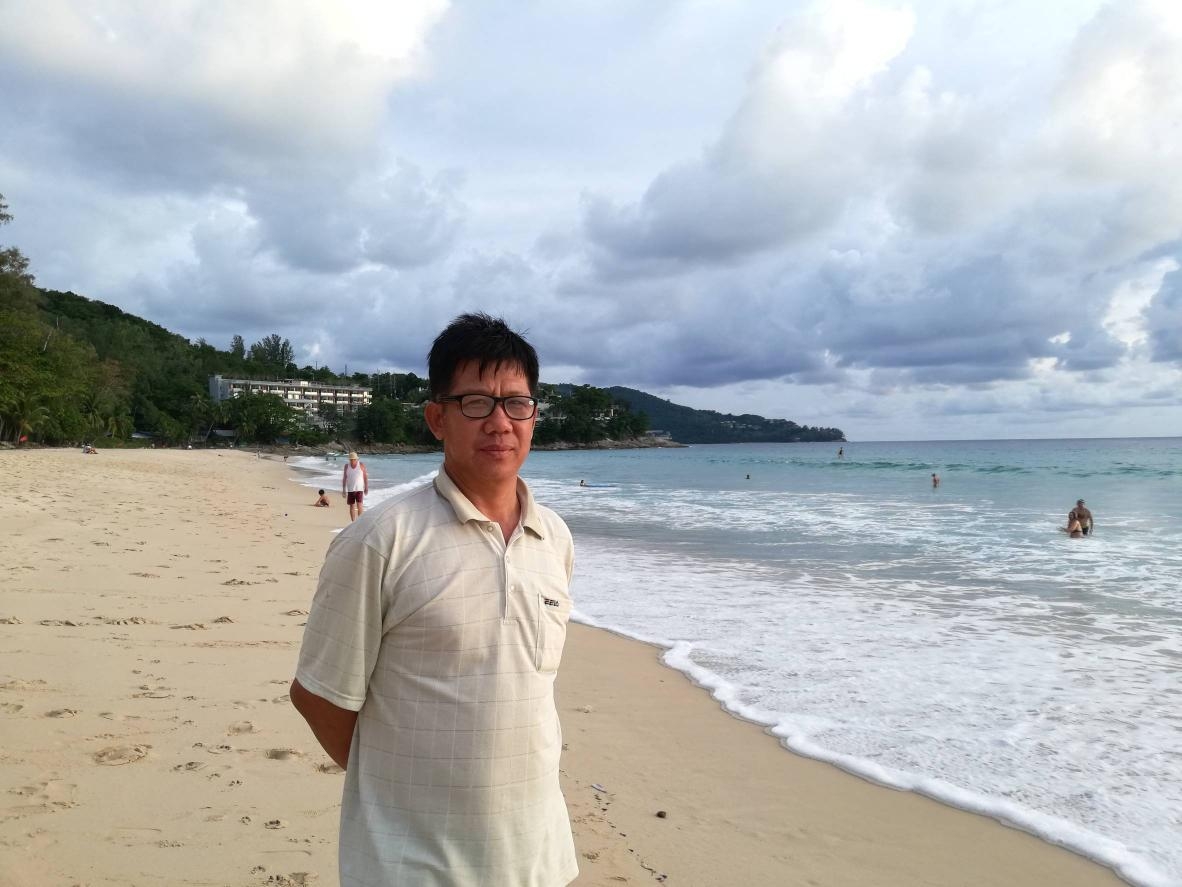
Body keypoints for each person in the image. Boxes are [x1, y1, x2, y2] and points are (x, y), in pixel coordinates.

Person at [291, 313, 578, 887]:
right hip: (412, 865)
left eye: (516, 403)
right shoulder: (380, 540)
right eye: (476, 402)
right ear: (436, 419)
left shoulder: (555, 538)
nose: (499, 422)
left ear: (533, 416)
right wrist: (403, 788)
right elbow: (319, 696)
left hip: (538, 859)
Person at [341, 452, 368, 522]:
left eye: (354, 459)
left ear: (356, 459)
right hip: (350, 489)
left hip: (359, 489)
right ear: (349, 460)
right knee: (352, 506)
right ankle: (353, 522)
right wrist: (343, 489)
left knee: (359, 506)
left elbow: (365, 477)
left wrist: (366, 487)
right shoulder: (346, 466)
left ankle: (359, 522)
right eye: (351, 459)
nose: (352, 461)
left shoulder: (361, 465)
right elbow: (344, 478)